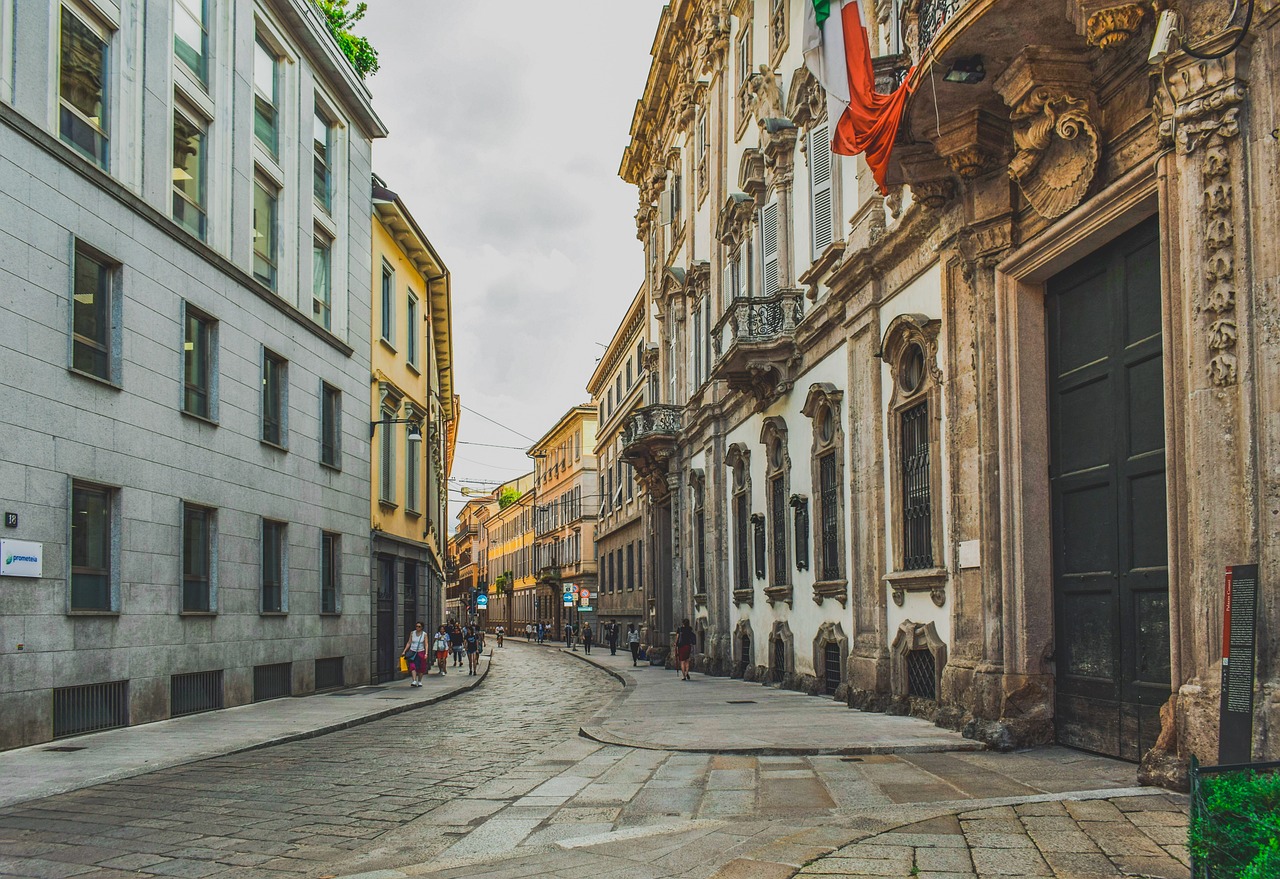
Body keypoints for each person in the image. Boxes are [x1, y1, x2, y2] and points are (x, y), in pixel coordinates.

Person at [402, 621, 428, 686]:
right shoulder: (412, 633)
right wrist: (404, 651)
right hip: (412, 651)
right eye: (416, 626)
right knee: (412, 666)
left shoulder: (424, 634)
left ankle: (419, 681)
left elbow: (426, 644)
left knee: (421, 667)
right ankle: (414, 680)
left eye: (419, 626)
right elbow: (409, 642)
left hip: (421, 652)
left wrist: (426, 653)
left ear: (422, 627)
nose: (417, 628)